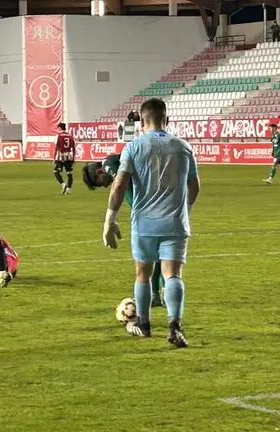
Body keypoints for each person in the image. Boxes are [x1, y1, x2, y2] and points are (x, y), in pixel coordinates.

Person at [102, 98, 199, 348]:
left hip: (145, 223)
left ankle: (143, 325)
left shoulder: (134, 147)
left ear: (142, 122)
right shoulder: (183, 147)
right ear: (166, 119)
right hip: (175, 223)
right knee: (172, 274)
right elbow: (194, 187)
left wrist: (109, 221)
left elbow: (119, 184)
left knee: (143, 274)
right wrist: (183, 211)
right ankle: (174, 326)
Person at [82, 154, 165, 307]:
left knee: (151, 252)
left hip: (148, 208)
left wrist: (111, 220)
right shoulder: (119, 164)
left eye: (100, 183)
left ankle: (157, 295)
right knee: (158, 250)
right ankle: (159, 294)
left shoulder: (108, 163)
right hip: (156, 203)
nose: (105, 186)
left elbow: (120, 184)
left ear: (100, 171)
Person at [53, 123, 76, 195]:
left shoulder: (59, 136)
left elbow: (56, 147)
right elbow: (74, 148)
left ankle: (63, 184)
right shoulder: (70, 136)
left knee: (56, 171)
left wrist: (54, 157)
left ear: (60, 128)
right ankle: (68, 189)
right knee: (69, 173)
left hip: (60, 156)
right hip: (69, 156)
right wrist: (73, 158)